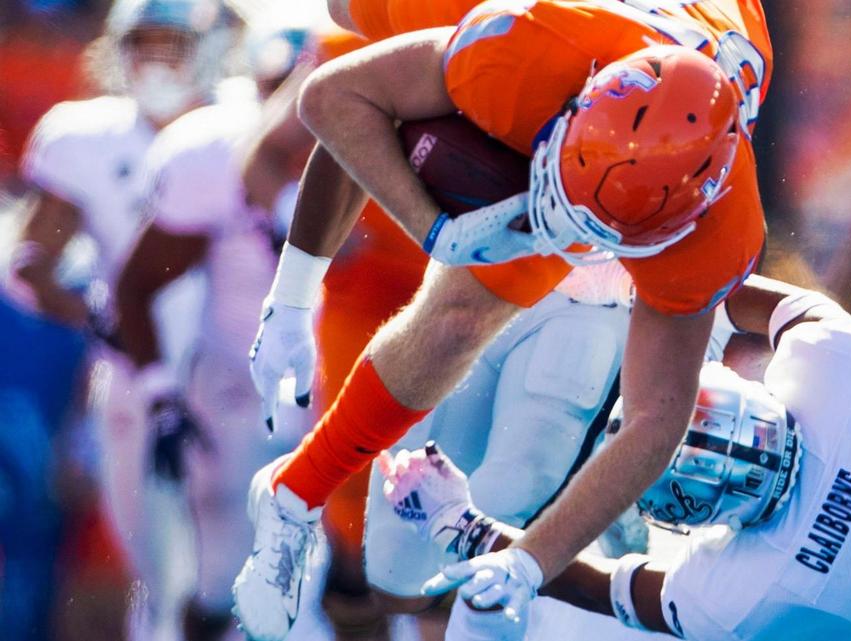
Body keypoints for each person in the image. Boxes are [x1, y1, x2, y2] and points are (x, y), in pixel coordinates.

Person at [233, 2, 773, 639]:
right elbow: (337, 96)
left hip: (633, 190)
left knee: (495, 490)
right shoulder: (527, 41)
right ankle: (293, 495)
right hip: (558, 60)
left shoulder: (718, 230)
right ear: (578, 102)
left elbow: (656, 418)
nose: (565, 229)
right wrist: (310, 289)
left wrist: (528, 560)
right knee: (354, 21)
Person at [381, 275, 851, 641]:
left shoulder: (737, 588)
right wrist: (659, 282)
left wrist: (464, 524)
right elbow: (746, 292)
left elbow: (598, 584)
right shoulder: (837, 377)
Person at [11, 0, 235, 637]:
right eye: (145, 41)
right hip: (134, 374)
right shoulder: (83, 136)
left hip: (235, 373)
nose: (158, 58)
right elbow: (32, 263)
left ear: (210, 48)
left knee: (241, 565)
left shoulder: (243, 125)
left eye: (175, 42)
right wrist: (99, 318)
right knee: (158, 575)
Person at [112, 15, 322, 641]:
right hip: (241, 397)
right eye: (283, 92)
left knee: (361, 580)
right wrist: (159, 397)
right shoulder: (215, 149)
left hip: (358, 385)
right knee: (219, 583)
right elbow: (136, 284)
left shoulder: (395, 141)